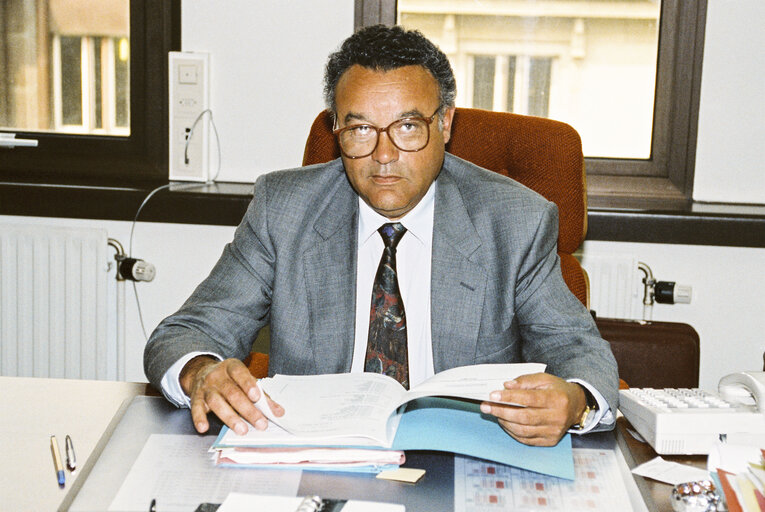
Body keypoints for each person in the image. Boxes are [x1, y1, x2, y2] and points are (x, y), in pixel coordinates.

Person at [144, 25, 618, 447]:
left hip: (459, 453)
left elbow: (576, 347)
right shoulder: (283, 209)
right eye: (361, 129)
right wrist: (201, 371)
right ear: (336, 130)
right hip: (319, 454)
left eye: (408, 127)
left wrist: (575, 400)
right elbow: (186, 332)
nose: (384, 155)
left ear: (446, 123)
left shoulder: (514, 219)